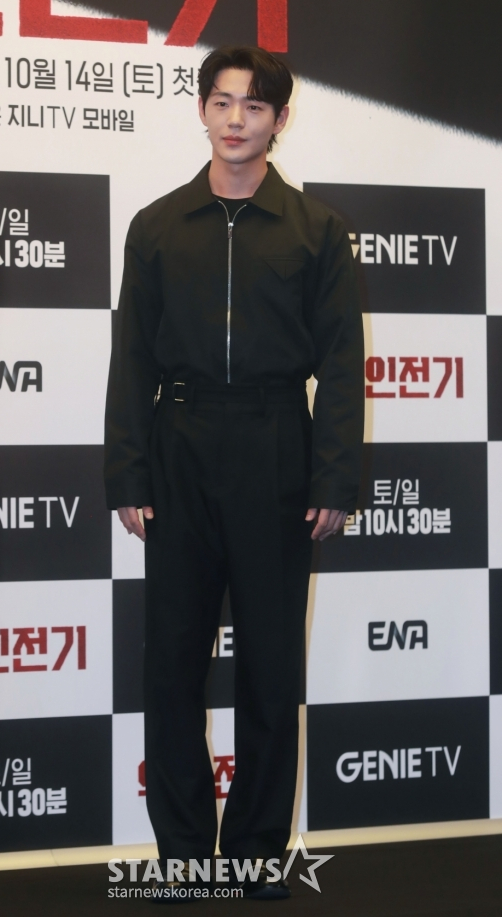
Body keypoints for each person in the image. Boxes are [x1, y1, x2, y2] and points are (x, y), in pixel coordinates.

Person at [104, 45, 364, 901]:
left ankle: (254, 849)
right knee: (171, 663)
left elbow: (342, 365)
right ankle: (183, 852)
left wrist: (332, 479)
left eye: (253, 106)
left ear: (280, 119)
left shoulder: (316, 230)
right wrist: (127, 473)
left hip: (276, 445)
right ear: (202, 109)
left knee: (271, 665)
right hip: (177, 445)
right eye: (221, 102)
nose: (235, 119)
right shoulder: (156, 225)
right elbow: (131, 359)